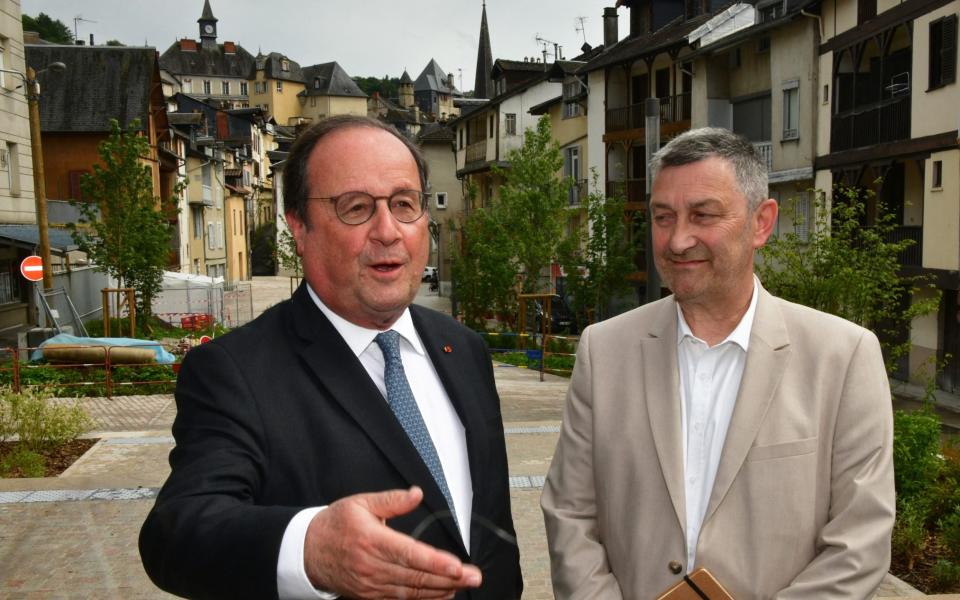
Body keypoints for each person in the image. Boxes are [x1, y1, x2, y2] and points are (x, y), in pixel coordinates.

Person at [140, 115, 522, 600]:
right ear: (299, 226)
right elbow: (176, 532)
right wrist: (311, 547)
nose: (388, 231)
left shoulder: (464, 348)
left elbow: (489, 528)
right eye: (356, 208)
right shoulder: (235, 372)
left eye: (404, 204)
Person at [541, 127, 895, 599]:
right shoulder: (603, 351)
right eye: (663, 217)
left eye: (702, 215)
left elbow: (860, 542)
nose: (678, 240)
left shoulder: (844, 356)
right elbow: (570, 514)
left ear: (761, 222)